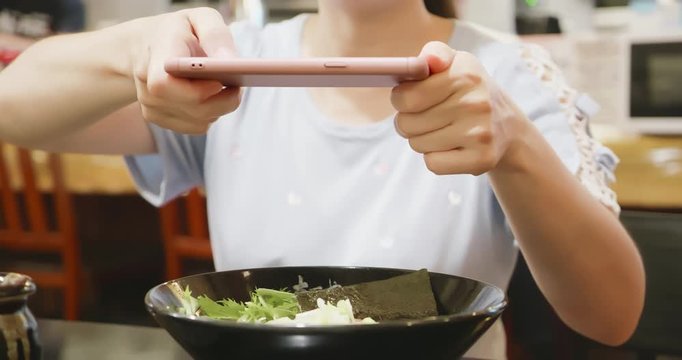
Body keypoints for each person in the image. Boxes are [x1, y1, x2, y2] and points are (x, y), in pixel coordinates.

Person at [0, 2, 645, 358]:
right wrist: (134, 49)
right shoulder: (231, 62)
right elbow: (13, 104)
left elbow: (612, 315)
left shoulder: (511, 75)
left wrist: (515, 147)